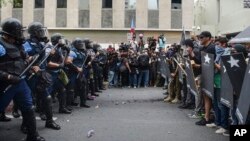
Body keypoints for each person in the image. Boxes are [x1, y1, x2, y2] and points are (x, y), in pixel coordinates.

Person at [0, 18, 45, 141]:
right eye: (19, 31)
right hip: (5, 85)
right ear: (10, 32)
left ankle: (33, 136)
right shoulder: (0, 45)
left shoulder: (17, 44)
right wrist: (8, 76)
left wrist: (32, 66)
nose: (21, 34)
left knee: (28, 107)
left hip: (20, 82)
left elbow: (23, 61)